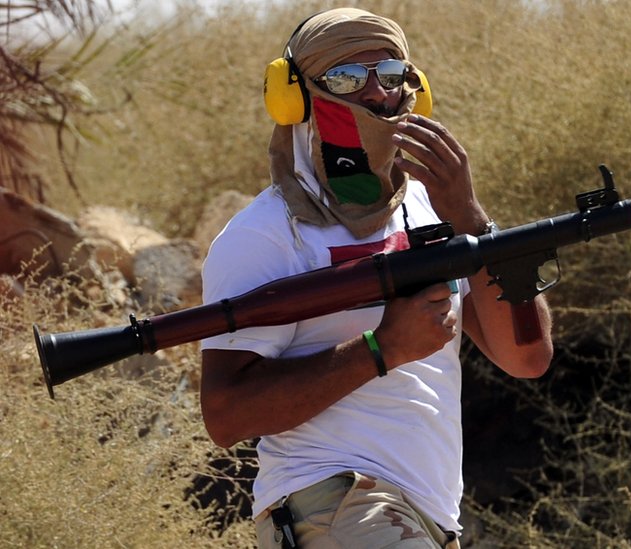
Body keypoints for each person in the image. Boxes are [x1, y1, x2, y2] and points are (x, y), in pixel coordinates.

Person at [198, 8, 553, 548]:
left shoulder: (432, 210)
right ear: (294, 96)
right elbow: (225, 415)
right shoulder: (265, 235)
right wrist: (381, 348)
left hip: (428, 514)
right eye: (345, 79)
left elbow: (525, 357)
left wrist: (473, 220)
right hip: (332, 500)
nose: (374, 96)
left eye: (390, 76)